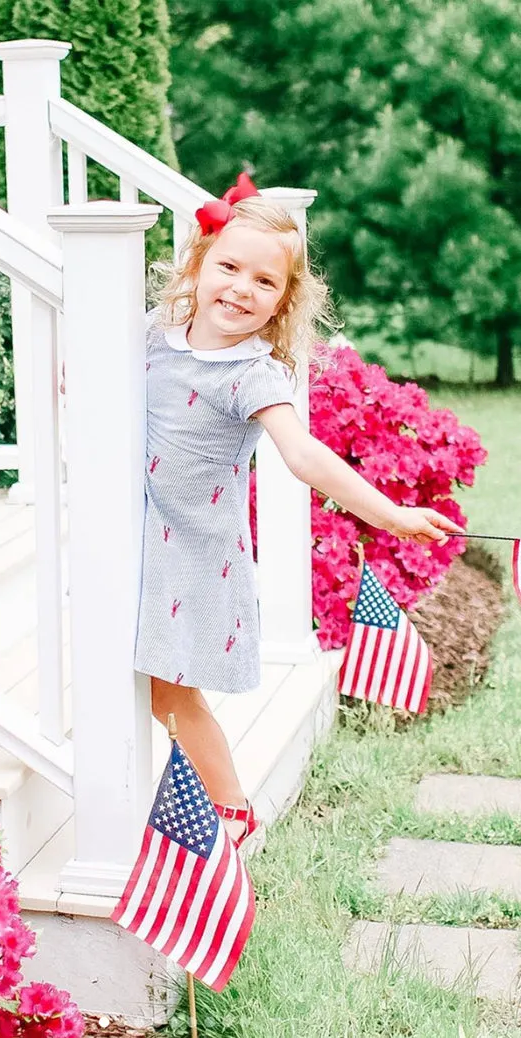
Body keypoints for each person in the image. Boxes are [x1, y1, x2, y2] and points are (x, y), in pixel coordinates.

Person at [134, 174, 464, 850]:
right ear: (198, 265)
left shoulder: (251, 374)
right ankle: (171, 804)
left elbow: (305, 456)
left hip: (192, 555)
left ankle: (228, 817)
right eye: (228, 266)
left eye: (264, 281)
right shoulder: (155, 335)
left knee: (171, 695)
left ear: (284, 301)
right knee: (140, 686)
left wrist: (390, 514)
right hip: (135, 539)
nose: (240, 288)